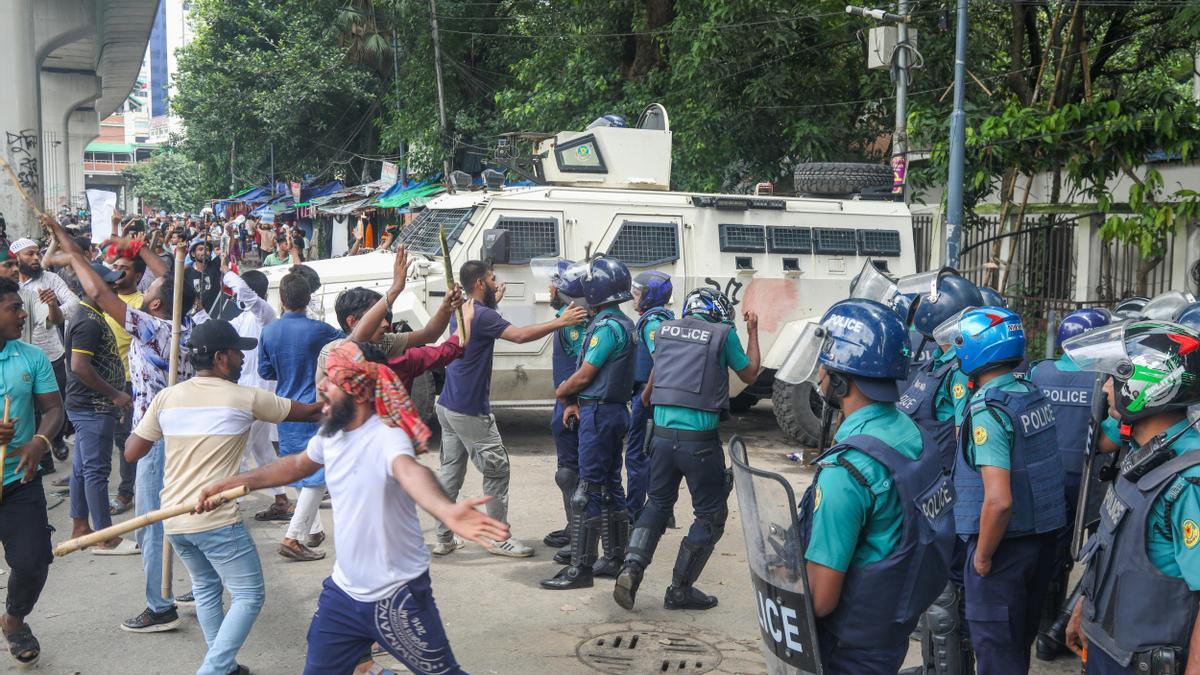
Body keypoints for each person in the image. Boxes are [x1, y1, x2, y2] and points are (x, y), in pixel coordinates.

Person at [194, 341, 507, 675]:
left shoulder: (387, 437)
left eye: (330, 380)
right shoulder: (332, 435)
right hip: (342, 596)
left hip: (396, 597)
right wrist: (231, 483)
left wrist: (445, 510)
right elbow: (296, 465)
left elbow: (411, 472)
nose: (320, 386)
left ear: (356, 393)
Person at [124, 319, 322, 675]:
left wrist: (154, 415)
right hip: (215, 520)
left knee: (206, 588)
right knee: (249, 595)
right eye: (237, 352)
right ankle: (213, 669)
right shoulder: (244, 397)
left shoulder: (167, 398)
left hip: (175, 519)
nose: (243, 359)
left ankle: (224, 665)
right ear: (220, 358)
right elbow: (308, 412)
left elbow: (131, 452)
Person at [45, 216, 201, 633]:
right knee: (190, 515)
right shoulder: (191, 327)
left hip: (157, 441)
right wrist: (68, 239)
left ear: (154, 303)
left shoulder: (153, 330)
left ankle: (160, 606)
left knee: (151, 524)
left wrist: (71, 249)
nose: (144, 287)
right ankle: (201, 587)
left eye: (148, 288)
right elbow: (171, 276)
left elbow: (96, 290)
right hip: (189, 439)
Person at [790, 299, 954, 672]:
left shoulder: (846, 472)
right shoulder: (912, 434)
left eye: (825, 366)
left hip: (845, 649)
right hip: (890, 630)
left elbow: (820, 601)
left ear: (843, 379)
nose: (819, 374)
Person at [1063, 320, 1200, 674]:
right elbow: (1115, 548)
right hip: (1109, 647)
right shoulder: (1142, 454)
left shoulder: (1189, 481)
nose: (1107, 387)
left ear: (1151, 384)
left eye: (1116, 377)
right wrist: (1086, 611)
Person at [609, 287, 759, 606]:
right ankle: (679, 589)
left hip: (661, 438)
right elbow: (749, 373)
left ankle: (632, 568)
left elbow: (650, 388)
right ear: (717, 311)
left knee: (657, 504)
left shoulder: (663, 331)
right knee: (710, 514)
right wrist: (753, 332)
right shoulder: (722, 334)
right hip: (699, 444)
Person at [432, 260, 586, 558]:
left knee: (451, 473)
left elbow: (483, 326)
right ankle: (499, 538)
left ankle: (443, 537)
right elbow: (518, 336)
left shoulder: (461, 308)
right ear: (479, 284)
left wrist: (495, 302)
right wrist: (560, 321)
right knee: (497, 471)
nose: (496, 283)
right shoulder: (483, 314)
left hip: (448, 404)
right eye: (492, 279)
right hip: (470, 408)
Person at [942, 306, 1066, 675]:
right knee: (1015, 647)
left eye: (961, 343)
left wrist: (981, 557)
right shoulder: (1029, 391)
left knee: (997, 656)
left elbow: (998, 501)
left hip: (1002, 551)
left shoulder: (989, 410)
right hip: (1040, 544)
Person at [898, 271, 982, 675]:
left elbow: (965, 437)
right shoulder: (933, 361)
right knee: (929, 586)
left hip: (947, 492)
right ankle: (933, 665)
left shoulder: (959, 372)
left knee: (945, 598)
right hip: (924, 485)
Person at [542, 258, 638, 589]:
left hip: (598, 413)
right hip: (611, 411)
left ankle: (579, 569)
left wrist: (563, 392)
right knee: (611, 487)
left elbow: (585, 374)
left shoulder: (606, 328)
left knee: (587, 491)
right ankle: (613, 557)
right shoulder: (625, 323)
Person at [1027, 308, 1112, 660]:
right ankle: (1062, 629)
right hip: (1090, 480)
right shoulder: (1104, 379)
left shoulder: (1039, 371)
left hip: (1044, 478)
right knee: (1094, 554)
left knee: (1049, 549)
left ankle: (1044, 626)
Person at [0, 276, 65, 669]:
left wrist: (39, 442)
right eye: (14, 309)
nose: (23, 314)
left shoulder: (31, 356)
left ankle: (14, 619)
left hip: (19, 479)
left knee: (32, 561)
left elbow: (54, 409)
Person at [258, 270, 343, 561]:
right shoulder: (321, 330)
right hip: (316, 408)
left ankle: (312, 529)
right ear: (308, 299)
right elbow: (347, 343)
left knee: (300, 470)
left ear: (281, 299)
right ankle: (294, 536)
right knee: (316, 475)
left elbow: (265, 371)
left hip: (286, 408)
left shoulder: (269, 331)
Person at [64, 261, 138, 554]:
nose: (115, 291)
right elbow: (80, 366)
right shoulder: (89, 321)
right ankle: (106, 537)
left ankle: (81, 526)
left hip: (91, 405)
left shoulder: (92, 316)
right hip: (93, 407)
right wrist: (115, 395)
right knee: (96, 471)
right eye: (109, 285)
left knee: (83, 469)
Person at [222, 263, 289, 521]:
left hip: (258, 395)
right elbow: (222, 330)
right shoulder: (241, 319)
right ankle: (281, 500)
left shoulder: (266, 314)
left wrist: (228, 275)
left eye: (241, 293)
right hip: (245, 394)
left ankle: (230, 507)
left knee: (239, 450)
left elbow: (246, 295)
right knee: (263, 450)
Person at [11, 237, 77, 473]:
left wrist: (55, 311)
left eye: (38, 253)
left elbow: (74, 303)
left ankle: (56, 438)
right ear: (16, 258)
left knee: (54, 404)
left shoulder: (50, 280)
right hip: (18, 357)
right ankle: (43, 458)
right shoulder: (10, 288)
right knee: (29, 408)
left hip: (50, 355)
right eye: (29, 254)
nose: (36, 258)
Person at [540, 260, 589, 553]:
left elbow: (583, 367)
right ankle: (575, 527)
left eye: (554, 284)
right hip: (566, 402)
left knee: (572, 473)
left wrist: (572, 402)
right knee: (567, 471)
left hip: (574, 404)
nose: (549, 289)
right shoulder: (565, 318)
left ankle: (581, 534)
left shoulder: (574, 322)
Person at [625, 270, 674, 521]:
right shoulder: (664, 318)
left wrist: (645, 395)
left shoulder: (652, 323)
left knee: (637, 455)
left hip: (648, 396)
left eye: (637, 293)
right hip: (654, 395)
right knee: (656, 454)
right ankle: (663, 510)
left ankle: (633, 511)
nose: (633, 297)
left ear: (649, 296)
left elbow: (661, 361)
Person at [106, 250, 149, 515]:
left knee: (127, 441)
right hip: (104, 381)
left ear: (138, 275)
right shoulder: (104, 300)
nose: (117, 271)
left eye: (124, 268)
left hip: (129, 381)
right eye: (115, 266)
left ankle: (126, 492)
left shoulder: (142, 303)